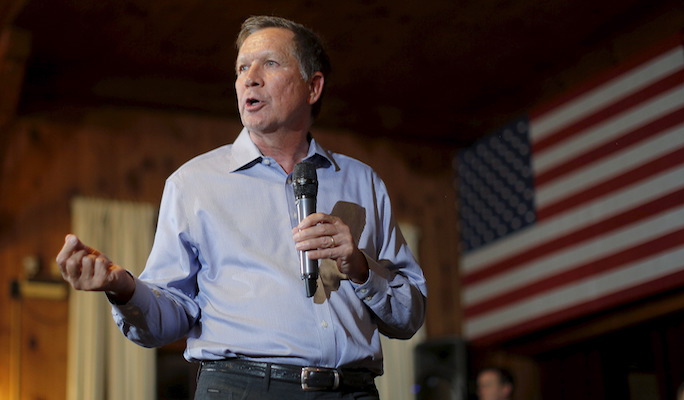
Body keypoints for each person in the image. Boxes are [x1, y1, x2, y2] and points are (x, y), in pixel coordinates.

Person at [56, 15, 426, 399]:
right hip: (244, 388)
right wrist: (123, 288)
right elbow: (168, 318)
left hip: (353, 390)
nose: (249, 78)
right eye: (241, 68)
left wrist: (362, 269)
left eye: (269, 63)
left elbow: (409, 316)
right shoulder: (194, 183)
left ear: (313, 87)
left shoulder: (362, 181)